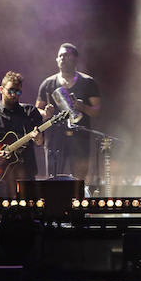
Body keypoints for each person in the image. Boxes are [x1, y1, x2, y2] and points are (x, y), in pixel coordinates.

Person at [35, 43, 101, 181]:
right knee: (53, 180)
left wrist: (83, 108)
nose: (62, 59)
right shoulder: (48, 83)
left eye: (66, 55)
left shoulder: (88, 82)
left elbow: (97, 110)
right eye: (60, 56)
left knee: (79, 180)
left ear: (76, 59)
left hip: (80, 138)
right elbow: (37, 110)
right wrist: (45, 113)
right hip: (54, 139)